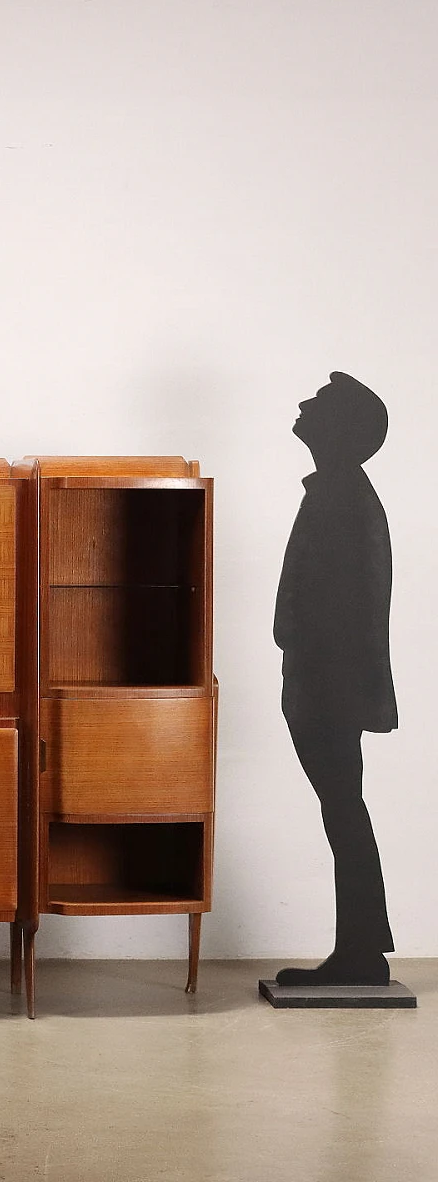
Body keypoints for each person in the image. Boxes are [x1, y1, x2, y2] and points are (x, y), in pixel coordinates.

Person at [274, 372, 397, 987]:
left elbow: (344, 607)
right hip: (324, 682)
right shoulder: (339, 492)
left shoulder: (342, 497)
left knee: (343, 809)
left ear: (341, 429)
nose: (303, 404)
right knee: (343, 808)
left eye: (319, 403)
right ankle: (362, 945)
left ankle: (362, 949)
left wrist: (304, 658)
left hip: (328, 686)